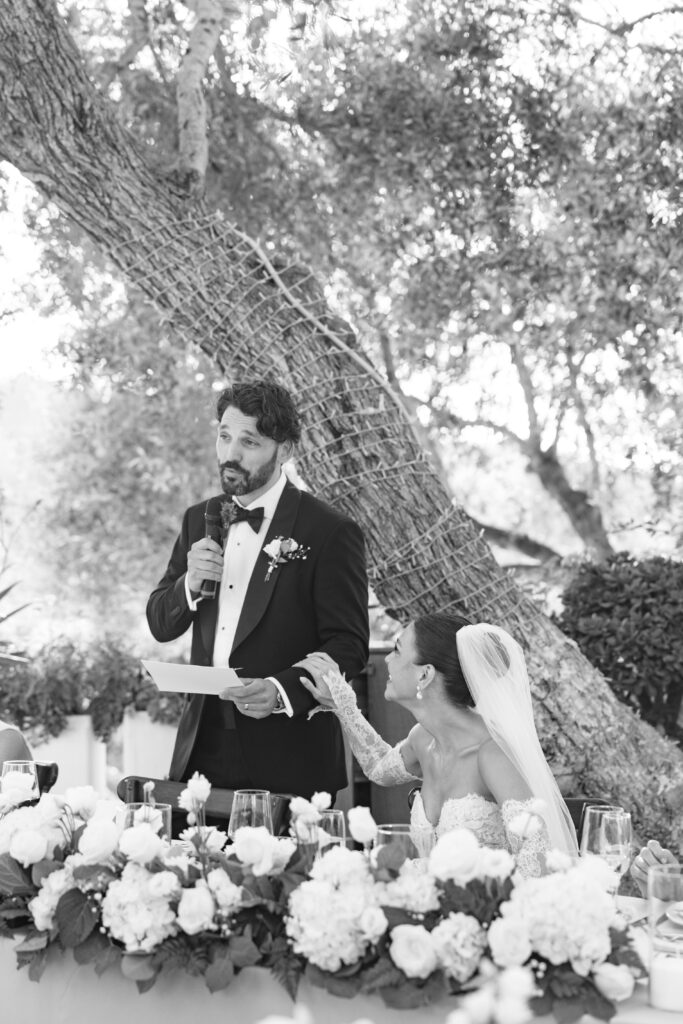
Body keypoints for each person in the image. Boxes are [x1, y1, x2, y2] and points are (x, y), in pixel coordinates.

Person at [147, 380, 369, 799]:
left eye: (249, 442)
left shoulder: (330, 531)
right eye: (224, 436)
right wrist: (188, 585)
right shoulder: (200, 517)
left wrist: (282, 690)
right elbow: (160, 622)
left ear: (283, 450)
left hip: (289, 755)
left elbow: (349, 647)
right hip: (201, 751)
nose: (230, 453)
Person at [297, 614, 578, 875]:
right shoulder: (423, 738)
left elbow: (539, 863)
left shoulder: (493, 754)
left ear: (425, 674)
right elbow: (380, 768)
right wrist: (344, 706)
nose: (386, 661)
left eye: (396, 650)